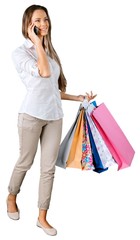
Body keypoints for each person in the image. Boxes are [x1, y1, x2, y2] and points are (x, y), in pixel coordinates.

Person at [6, 4, 96, 236]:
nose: (43, 24)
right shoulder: (20, 53)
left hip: (54, 117)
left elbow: (53, 89)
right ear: (28, 25)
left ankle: (42, 217)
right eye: (37, 20)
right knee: (25, 161)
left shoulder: (50, 52)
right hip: (31, 116)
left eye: (45, 19)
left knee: (48, 169)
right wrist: (36, 43)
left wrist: (77, 97)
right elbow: (43, 73)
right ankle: (11, 196)